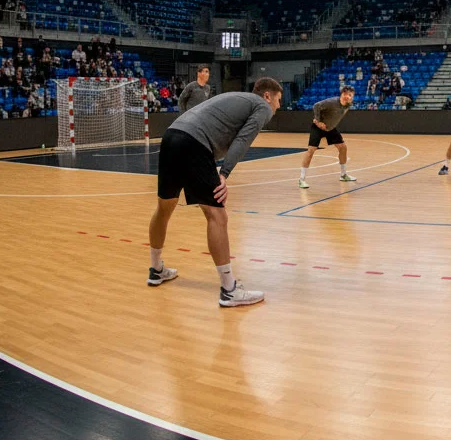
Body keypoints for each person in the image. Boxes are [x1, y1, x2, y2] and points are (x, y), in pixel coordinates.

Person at [147, 78, 283, 307]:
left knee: (164, 208)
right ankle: (229, 290)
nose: (279, 106)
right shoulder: (261, 106)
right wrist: (225, 173)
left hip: (172, 136)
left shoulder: (238, 99)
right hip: (194, 143)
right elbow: (243, 139)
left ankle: (156, 269)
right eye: (278, 100)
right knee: (217, 216)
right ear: (267, 96)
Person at [299, 85, 357, 188]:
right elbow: (316, 106)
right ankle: (301, 179)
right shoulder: (332, 102)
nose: (350, 97)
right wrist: (318, 121)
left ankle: (343, 175)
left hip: (330, 129)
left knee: (343, 148)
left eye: (352, 95)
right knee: (311, 150)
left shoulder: (348, 105)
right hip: (318, 127)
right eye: (349, 95)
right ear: (343, 94)